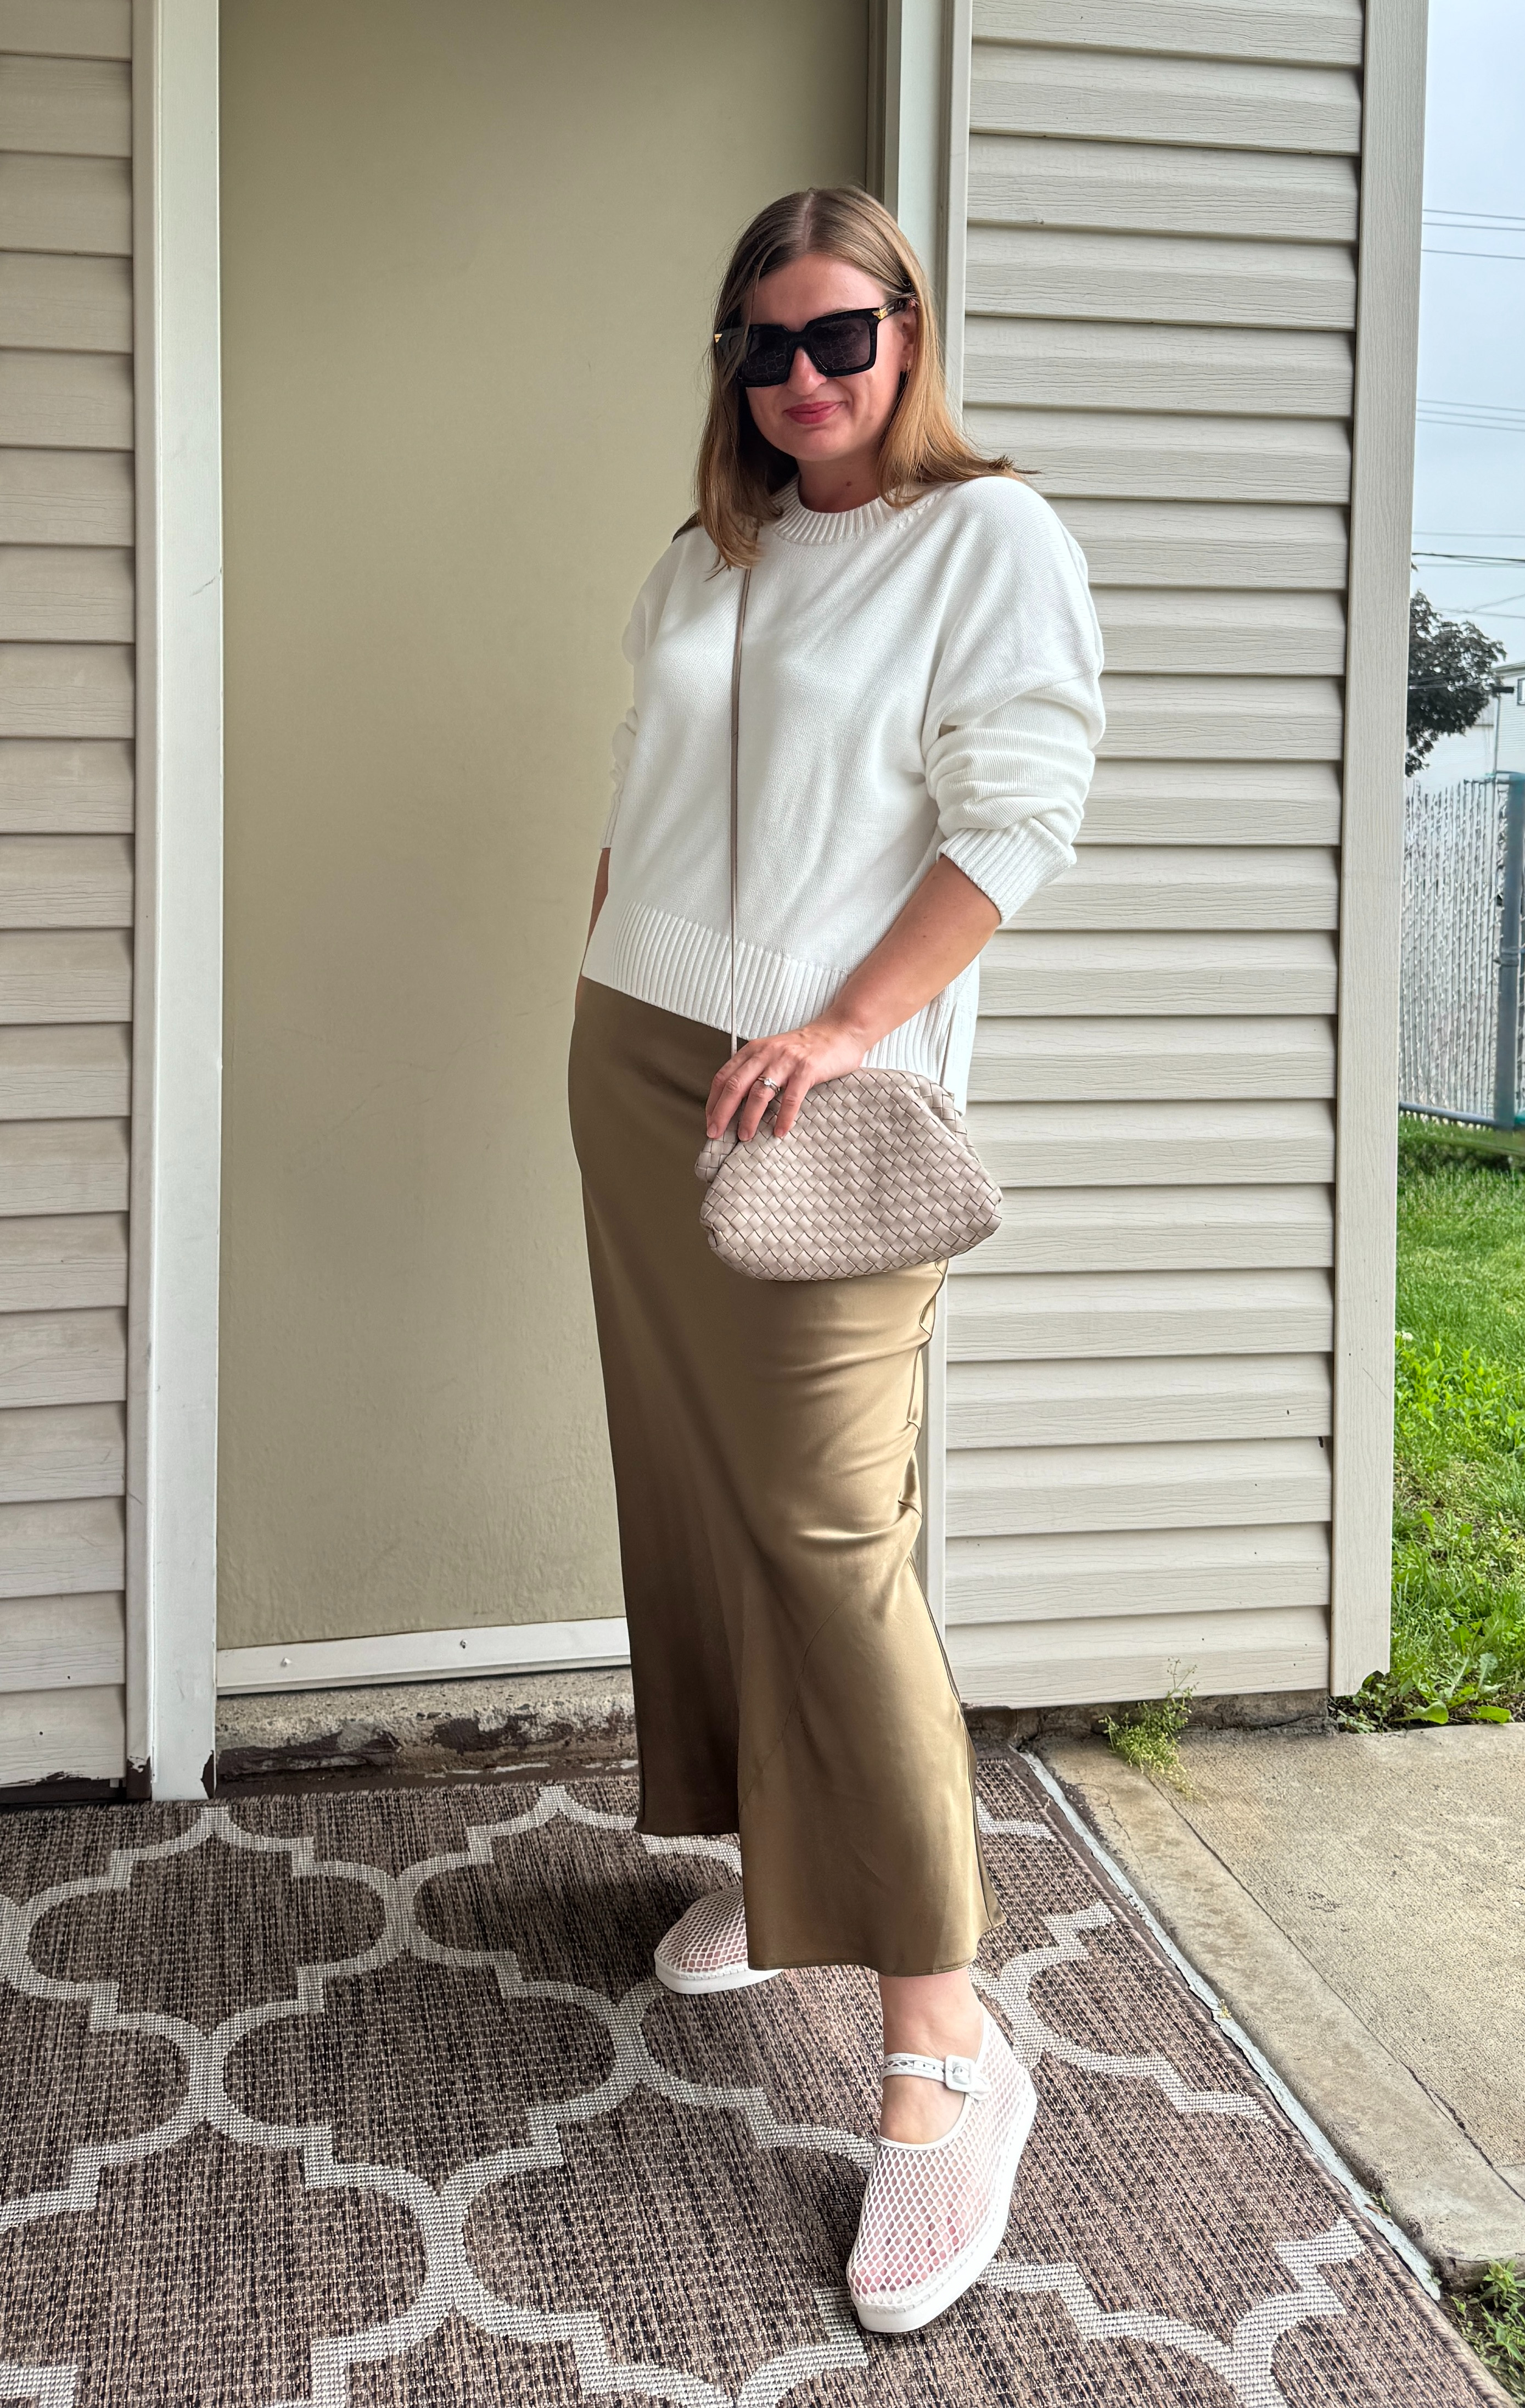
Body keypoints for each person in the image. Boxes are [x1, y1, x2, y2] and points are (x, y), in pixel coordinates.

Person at [567, 185, 1102, 2333]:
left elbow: (1017, 812)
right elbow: (649, 792)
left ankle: (944, 2049)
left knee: (820, 1525)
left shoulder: (989, 540)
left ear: (907, 328)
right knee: (694, 1482)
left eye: (840, 334)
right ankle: (781, 1871)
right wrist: (617, 962)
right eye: (764, 345)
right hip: (636, 1050)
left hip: (822, 1082)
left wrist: (851, 1023)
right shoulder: (704, 553)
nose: (804, 377)